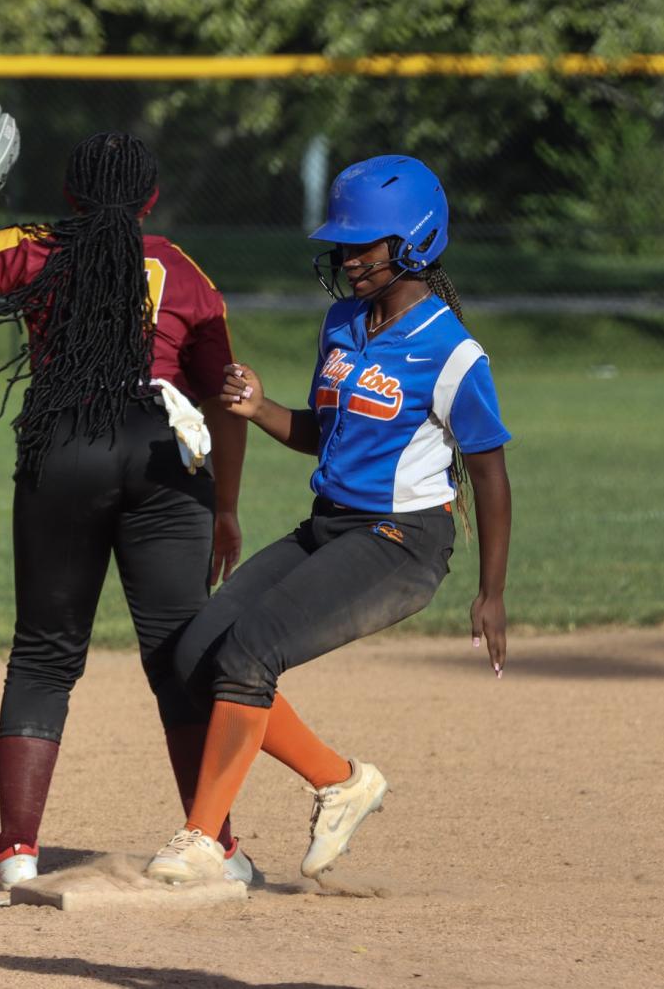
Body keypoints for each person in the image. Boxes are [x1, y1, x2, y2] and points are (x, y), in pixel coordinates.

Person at [0, 98, 254, 890]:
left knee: (45, 651)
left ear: (69, 195)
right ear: (151, 202)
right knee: (180, 657)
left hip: (64, 445)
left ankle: (17, 851)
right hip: (164, 454)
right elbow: (224, 400)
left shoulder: (34, 247)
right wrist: (225, 504)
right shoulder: (185, 271)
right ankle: (213, 843)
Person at [143, 154, 513, 885]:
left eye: (362, 243)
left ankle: (201, 840)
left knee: (247, 654)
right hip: (329, 524)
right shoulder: (343, 321)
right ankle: (341, 782)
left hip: (401, 542)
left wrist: (490, 591)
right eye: (341, 243)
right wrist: (260, 408)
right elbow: (325, 429)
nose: (347, 257)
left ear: (416, 242)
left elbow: (489, 475)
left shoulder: (453, 352)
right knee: (193, 656)